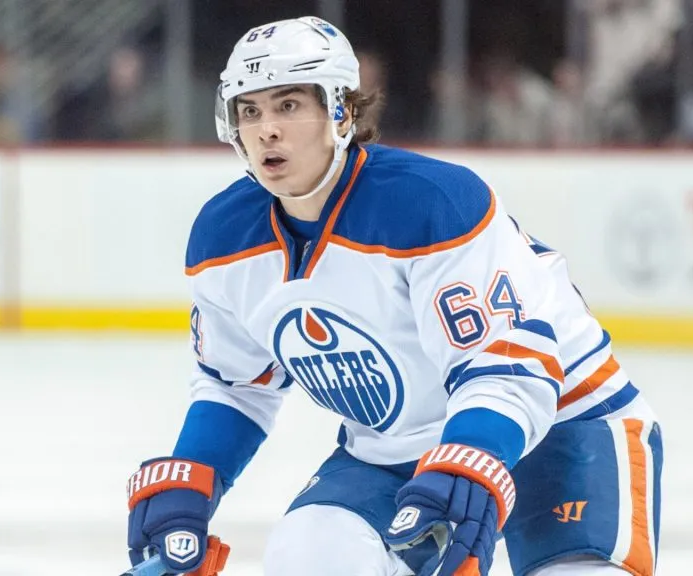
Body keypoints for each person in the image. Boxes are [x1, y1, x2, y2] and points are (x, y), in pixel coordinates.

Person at [125, 16, 663, 576]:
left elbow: (509, 366)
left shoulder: (433, 203)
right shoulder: (223, 237)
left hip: (564, 424)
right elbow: (235, 385)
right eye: (250, 110)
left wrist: (470, 462)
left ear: (343, 110)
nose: (266, 131)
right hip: (395, 452)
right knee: (306, 555)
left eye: (288, 106)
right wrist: (192, 477)